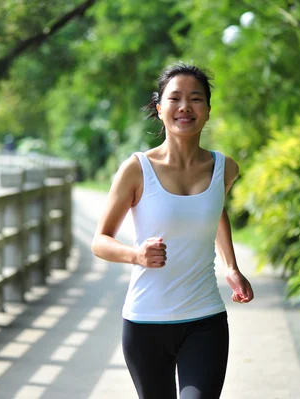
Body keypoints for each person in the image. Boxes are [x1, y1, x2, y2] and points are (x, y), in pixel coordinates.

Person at [91, 62, 254, 399]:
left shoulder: (225, 168)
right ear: (159, 108)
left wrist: (232, 268)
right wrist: (136, 255)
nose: (185, 107)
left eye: (196, 99)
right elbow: (99, 242)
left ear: (208, 111)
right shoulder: (136, 169)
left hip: (205, 319)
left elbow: (213, 210)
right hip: (145, 322)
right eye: (175, 98)